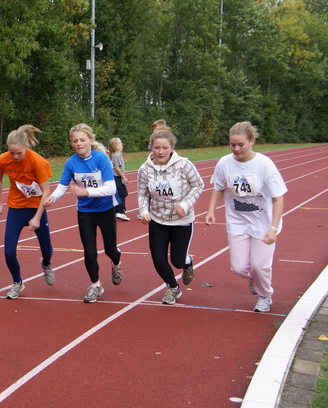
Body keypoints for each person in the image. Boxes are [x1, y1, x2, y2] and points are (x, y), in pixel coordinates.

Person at [205, 121, 287, 313]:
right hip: (237, 221)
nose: (236, 149)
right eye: (232, 144)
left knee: (260, 265)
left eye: (240, 144)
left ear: (251, 141)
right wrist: (211, 211)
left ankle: (264, 295)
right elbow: (218, 188)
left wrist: (273, 228)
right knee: (239, 268)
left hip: (264, 222)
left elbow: (278, 199)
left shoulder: (264, 164)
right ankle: (256, 279)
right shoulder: (225, 163)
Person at [44, 123, 123, 303]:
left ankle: (116, 264)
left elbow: (111, 188)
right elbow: (63, 186)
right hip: (85, 211)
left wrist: (85, 192)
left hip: (106, 209)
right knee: (89, 252)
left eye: (82, 140)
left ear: (91, 140)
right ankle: (96, 285)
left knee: (111, 250)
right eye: (74, 141)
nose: (78, 144)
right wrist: (52, 198)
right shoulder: (71, 162)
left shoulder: (101, 159)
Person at [137, 129, 204, 305]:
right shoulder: (144, 169)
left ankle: (188, 264)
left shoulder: (184, 164)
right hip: (158, 220)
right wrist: (144, 211)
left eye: (164, 148)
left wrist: (185, 204)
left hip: (181, 221)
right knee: (158, 259)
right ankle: (173, 287)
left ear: (172, 148)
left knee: (177, 260)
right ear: (151, 147)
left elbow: (198, 185)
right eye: (156, 147)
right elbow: (142, 193)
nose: (160, 152)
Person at [0, 125, 54, 299]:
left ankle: (46, 263)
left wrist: (36, 217)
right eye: (11, 153)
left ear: (27, 146)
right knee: (8, 252)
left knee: (47, 249)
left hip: (37, 208)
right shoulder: (3, 159)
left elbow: (46, 191)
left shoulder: (38, 162)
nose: (15, 156)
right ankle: (17, 282)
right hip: (15, 208)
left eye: (19, 153)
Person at [107, 137, 130, 221]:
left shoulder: (115, 155)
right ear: (115, 146)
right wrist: (124, 177)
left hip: (115, 177)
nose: (121, 144)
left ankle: (116, 210)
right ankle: (120, 211)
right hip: (116, 177)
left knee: (119, 193)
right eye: (119, 143)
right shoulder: (117, 155)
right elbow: (117, 168)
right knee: (122, 193)